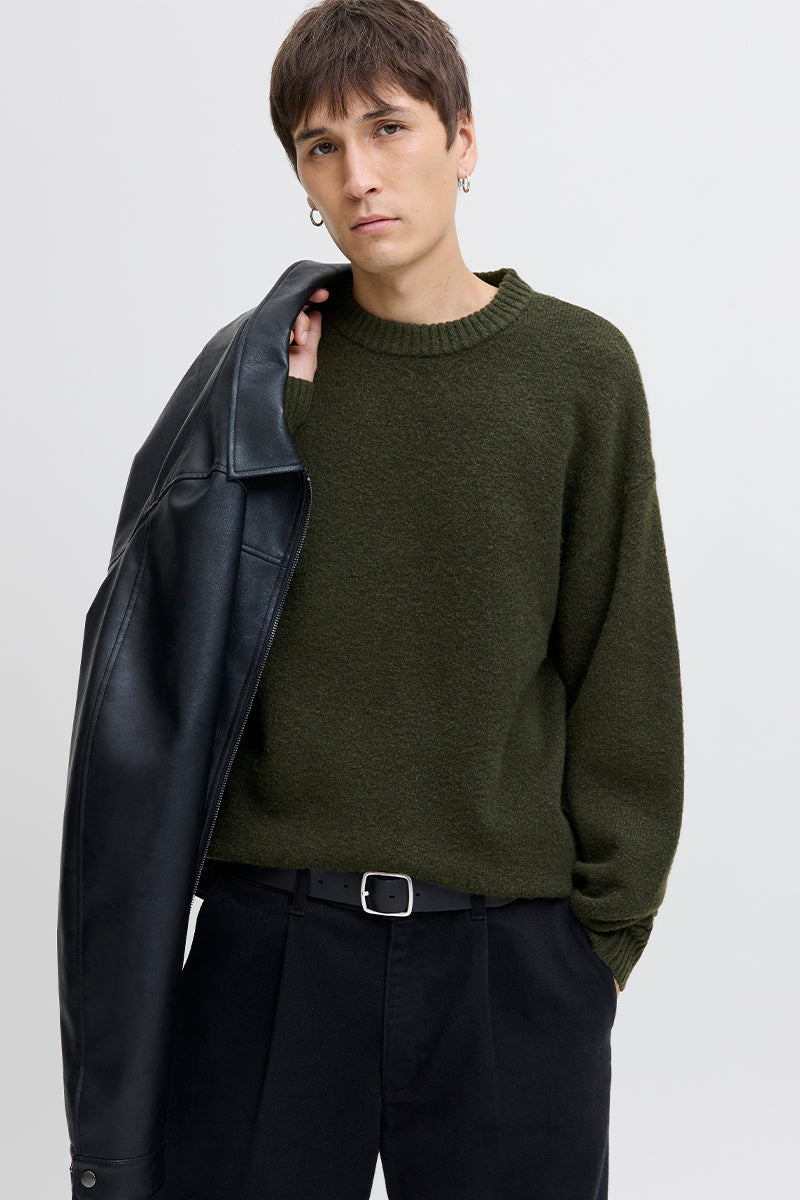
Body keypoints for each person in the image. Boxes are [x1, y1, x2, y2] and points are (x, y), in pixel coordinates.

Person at [59, 2, 683, 1198]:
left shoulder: (576, 369)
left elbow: (622, 660)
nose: (357, 173)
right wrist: (268, 429)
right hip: (273, 950)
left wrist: (598, 943)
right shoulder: (254, 378)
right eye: (320, 145)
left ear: (461, 139)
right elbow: (156, 647)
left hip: (508, 954)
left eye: (387, 128)